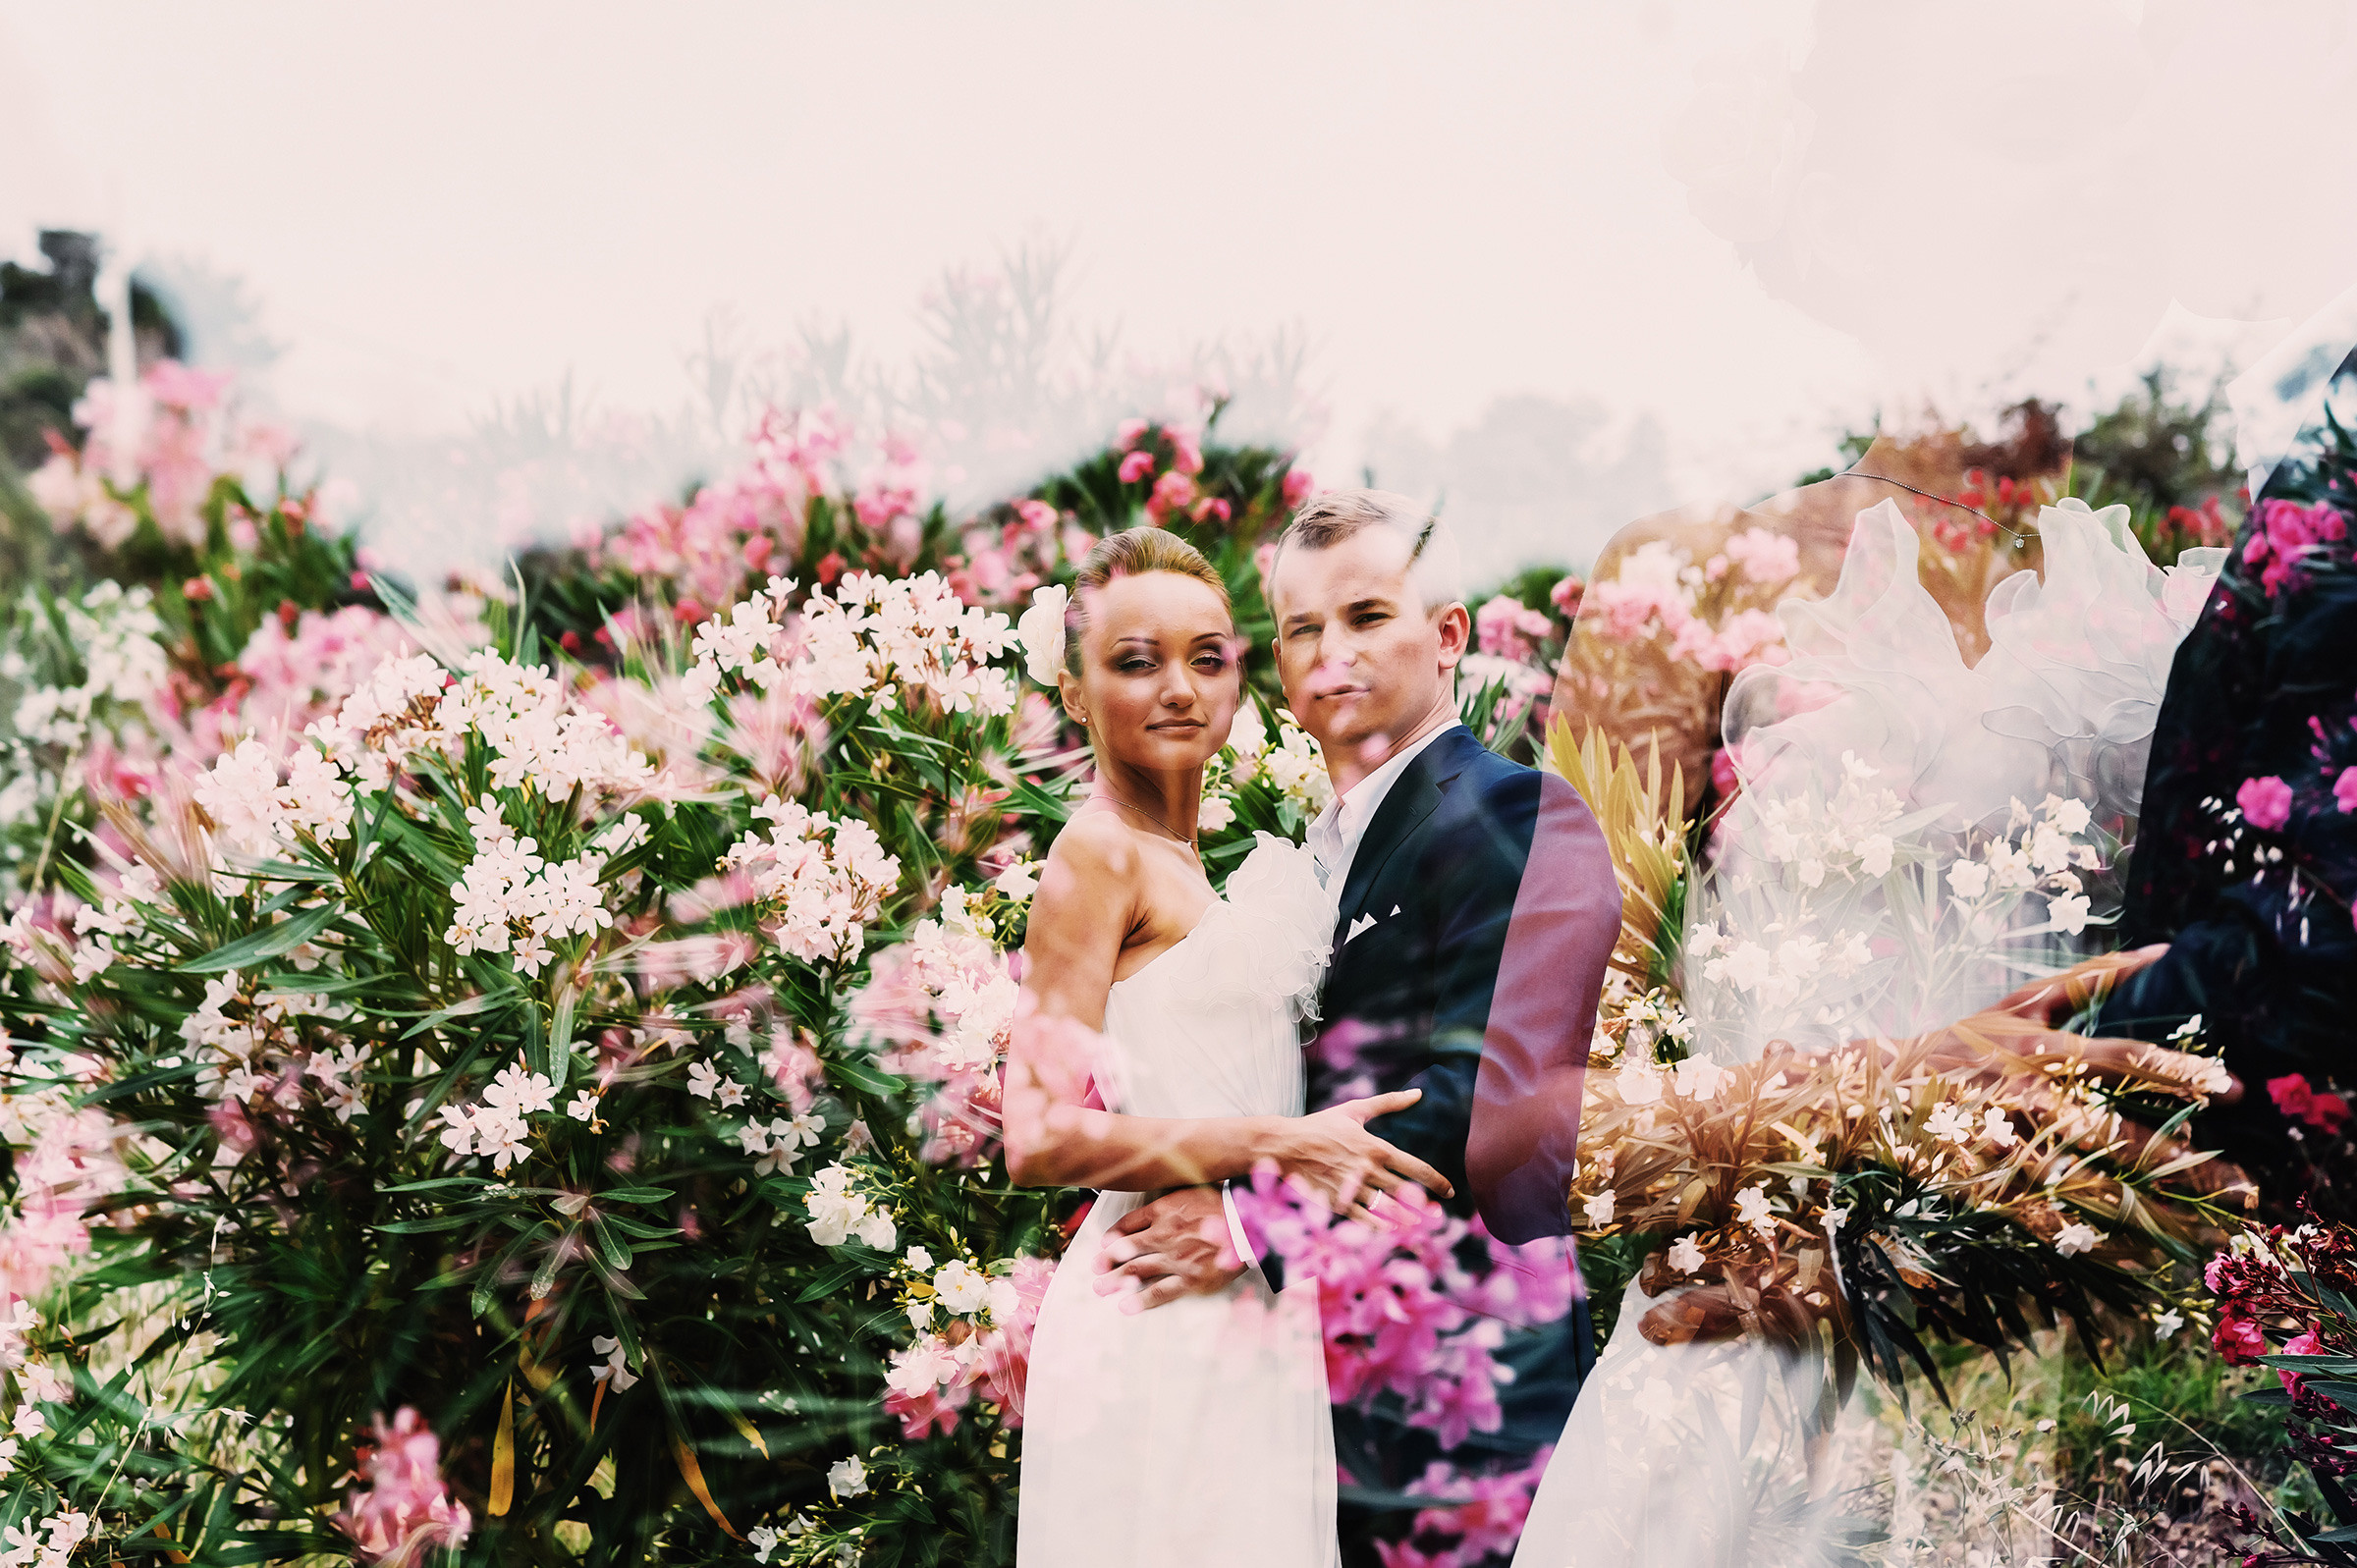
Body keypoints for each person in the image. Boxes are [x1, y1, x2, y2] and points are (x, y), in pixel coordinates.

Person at [1511, 490, 2233, 1565]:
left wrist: (1944, 1256)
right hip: (1752, 1320)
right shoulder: (1694, 578)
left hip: (2062, 1363)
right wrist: (1824, 1148)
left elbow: (2242, 1082)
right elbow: (1534, 1119)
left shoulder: (2174, 614)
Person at [1097, 492, 1621, 1567]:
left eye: (1368, 615)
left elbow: (1488, 1108)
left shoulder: (1518, 812)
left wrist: (1243, 1223)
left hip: (1461, 1396)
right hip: (1295, 1396)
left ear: (1449, 634)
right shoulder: (1299, 863)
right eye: (1303, 628)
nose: (1331, 650)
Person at [1007, 525, 1454, 1568]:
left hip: (1244, 1305)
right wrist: (1280, 1144)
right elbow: (1035, 1134)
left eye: (1206, 657)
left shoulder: (1191, 861)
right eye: (1136, 661)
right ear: (1074, 691)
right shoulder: (1095, 856)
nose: (1179, 688)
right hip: (1153, 1311)